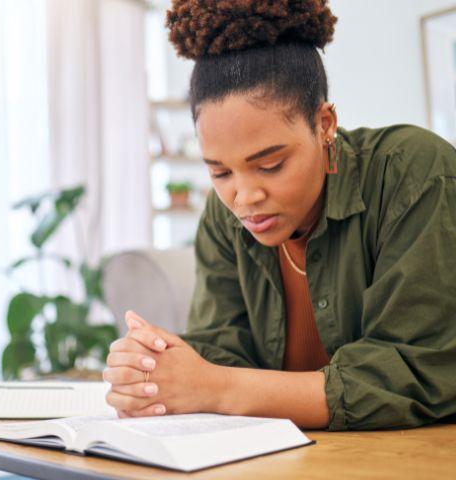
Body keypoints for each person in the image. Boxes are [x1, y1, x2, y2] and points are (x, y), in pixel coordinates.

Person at [102, 0, 456, 431]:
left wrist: (216, 387)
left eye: (270, 165)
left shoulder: (413, 174)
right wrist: (155, 368)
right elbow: (222, 351)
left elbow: (411, 373)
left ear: (325, 123)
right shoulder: (224, 215)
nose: (245, 197)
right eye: (220, 171)